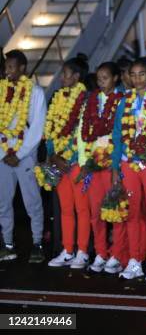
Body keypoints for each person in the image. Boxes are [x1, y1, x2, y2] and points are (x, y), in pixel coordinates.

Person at [111, 58, 146, 280]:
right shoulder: (124, 101)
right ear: (128, 77)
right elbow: (117, 134)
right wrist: (115, 167)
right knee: (132, 213)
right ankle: (134, 259)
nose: (138, 78)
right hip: (128, 162)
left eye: (142, 74)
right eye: (134, 74)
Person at [0, 50, 47, 263]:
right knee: (3, 202)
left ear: (22, 68)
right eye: (5, 67)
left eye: (11, 67)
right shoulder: (1, 91)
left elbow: (37, 129)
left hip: (25, 156)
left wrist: (18, 154)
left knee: (32, 202)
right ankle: (7, 244)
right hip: (2, 156)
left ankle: (37, 243)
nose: (7, 71)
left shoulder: (35, 92)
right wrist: (4, 153)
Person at [77, 61, 124, 273]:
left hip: (113, 163)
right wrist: (85, 161)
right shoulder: (91, 101)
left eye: (106, 77)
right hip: (93, 164)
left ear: (115, 78)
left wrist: (114, 161)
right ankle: (100, 253)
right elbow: (82, 132)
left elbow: (122, 133)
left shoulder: (122, 100)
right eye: (99, 78)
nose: (101, 81)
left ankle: (116, 254)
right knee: (96, 212)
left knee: (114, 209)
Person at [45, 54, 91, 269]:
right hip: (59, 163)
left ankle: (82, 252)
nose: (61, 78)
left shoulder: (86, 99)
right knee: (65, 209)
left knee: (82, 209)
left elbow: (84, 134)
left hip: (76, 164)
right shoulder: (56, 97)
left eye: (65, 74)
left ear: (76, 76)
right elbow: (50, 131)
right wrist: (53, 156)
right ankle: (67, 250)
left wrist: (69, 159)